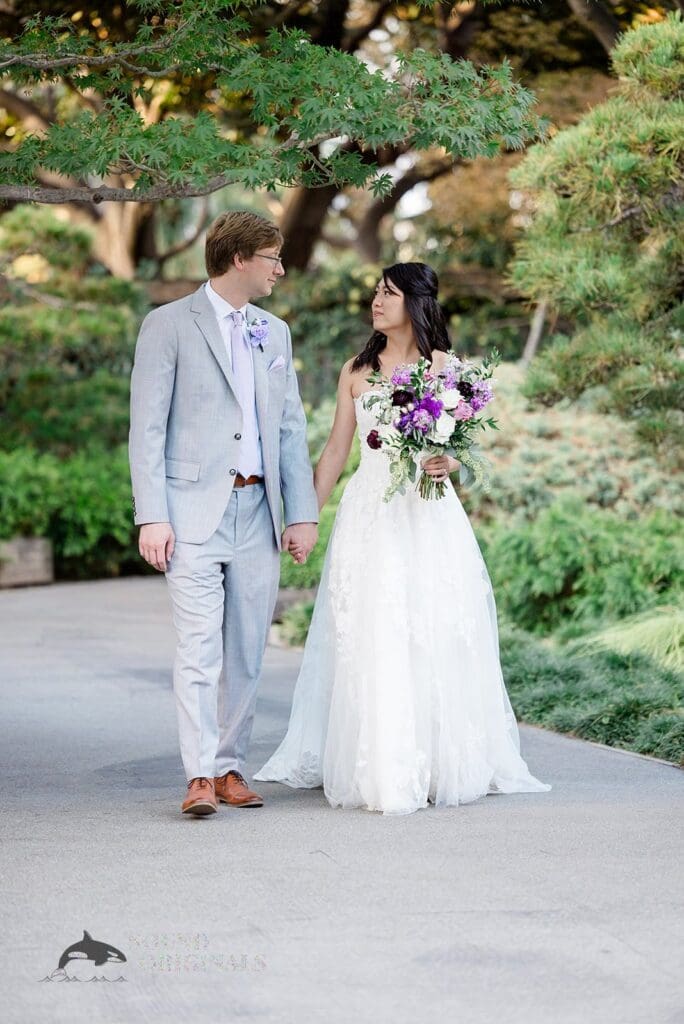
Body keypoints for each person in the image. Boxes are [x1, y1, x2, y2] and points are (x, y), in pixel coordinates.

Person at [255, 262, 550, 815]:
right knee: (373, 632)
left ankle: (436, 760)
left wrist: (449, 460)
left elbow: (459, 444)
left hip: (428, 519)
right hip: (370, 515)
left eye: (387, 294)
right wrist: (305, 520)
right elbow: (337, 453)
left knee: (430, 630)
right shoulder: (356, 370)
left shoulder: (443, 367)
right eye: (374, 291)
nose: (375, 301)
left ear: (416, 303)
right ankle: (383, 761)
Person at [129, 210, 318, 817]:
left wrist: (302, 513)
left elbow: (290, 430)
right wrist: (151, 514)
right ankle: (199, 776)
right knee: (198, 649)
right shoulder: (167, 325)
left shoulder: (275, 333)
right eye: (272, 259)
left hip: (259, 513)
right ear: (240, 259)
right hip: (189, 514)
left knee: (246, 650)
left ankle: (232, 765)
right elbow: (147, 428)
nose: (280, 270)